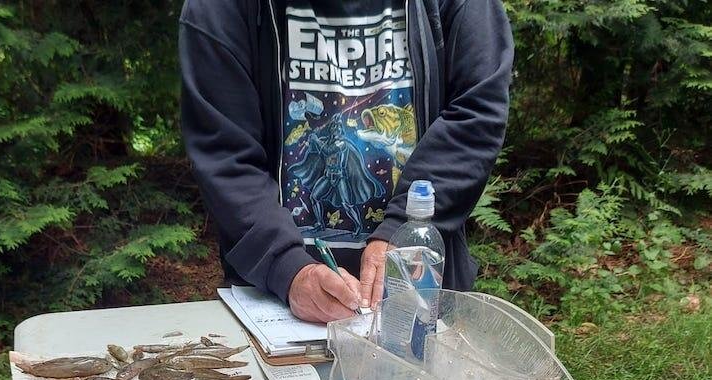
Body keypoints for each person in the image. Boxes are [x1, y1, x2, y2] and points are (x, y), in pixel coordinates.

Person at [179, 0, 513, 322]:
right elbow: (225, 153)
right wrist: (287, 268)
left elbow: (476, 112)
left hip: (419, 291)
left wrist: (402, 230)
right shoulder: (219, 8)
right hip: (270, 303)